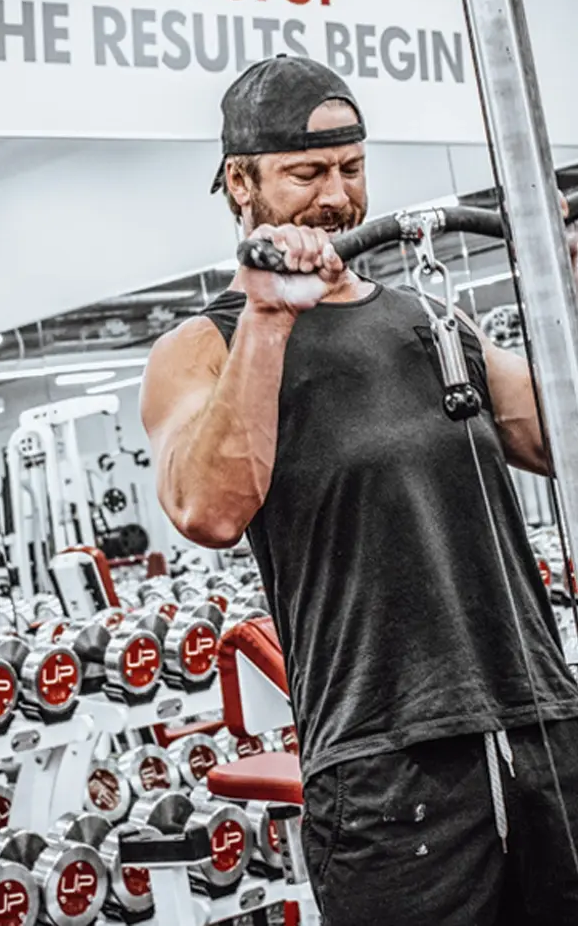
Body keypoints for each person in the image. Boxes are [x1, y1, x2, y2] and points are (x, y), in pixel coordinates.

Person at [142, 53, 578, 924]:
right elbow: (207, 509)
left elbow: (559, 438)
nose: (336, 198)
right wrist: (268, 313)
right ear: (241, 182)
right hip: (383, 769)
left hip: (541, 726)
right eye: (306, 175)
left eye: (352, 169)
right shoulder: (204, 345)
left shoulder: (430, 320)